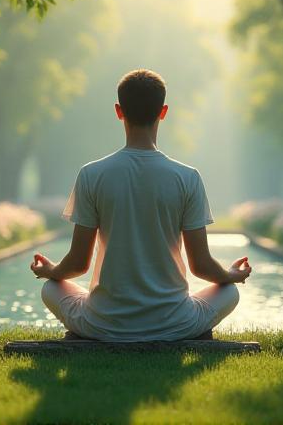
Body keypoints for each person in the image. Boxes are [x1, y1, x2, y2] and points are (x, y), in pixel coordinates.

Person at [30, 69, 251, 341]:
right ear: (164, 111)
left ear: (118, 111)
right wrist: (230, 275)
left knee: (50, 289)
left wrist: (51, 271)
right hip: (175, 324)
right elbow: (201, 266)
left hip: (103, 324)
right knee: (230, 292)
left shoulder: (92, 174)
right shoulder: (187, 178)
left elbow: (78, 263)